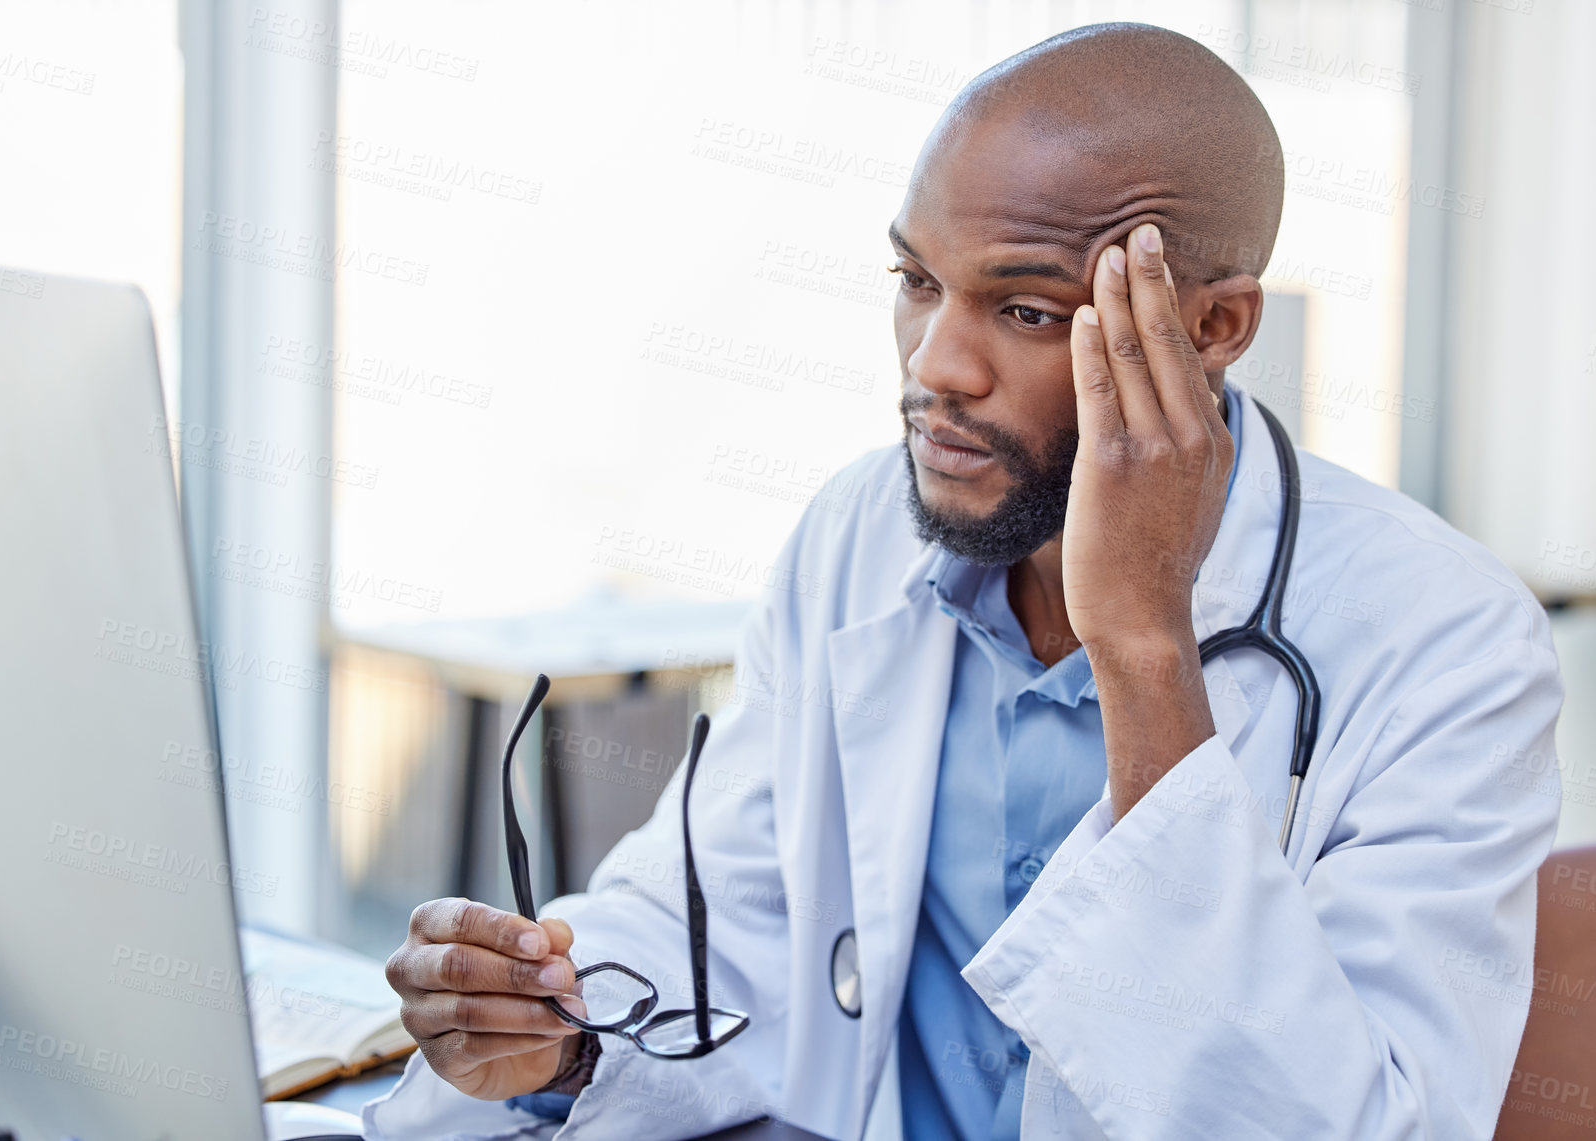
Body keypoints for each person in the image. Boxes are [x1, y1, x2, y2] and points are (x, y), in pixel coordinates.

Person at [373, 22, 1562, 1140]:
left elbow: (1354, 1123)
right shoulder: (859, 531)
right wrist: (545, 1026)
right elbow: (724, 912)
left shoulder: (1445, 641)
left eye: (1026, 308)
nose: (936, 365)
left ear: (1213, 327)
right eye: (916, 282)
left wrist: (1142, 643)